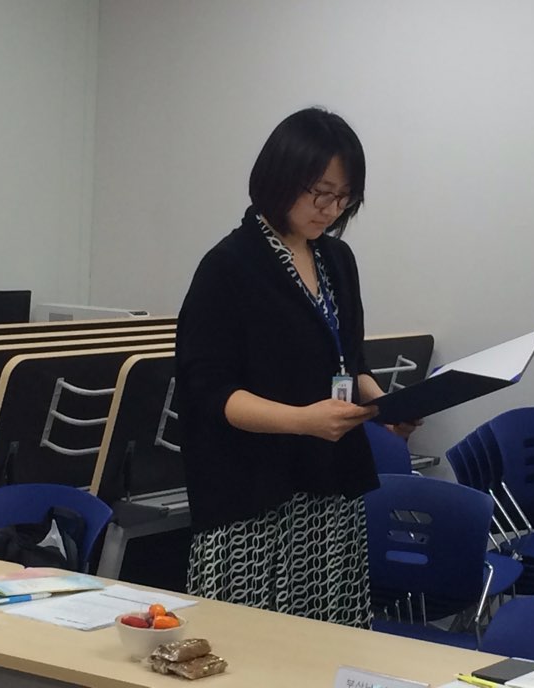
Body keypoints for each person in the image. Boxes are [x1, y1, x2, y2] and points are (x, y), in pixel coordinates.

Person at [176, 107, 414, 628]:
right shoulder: (228, 266)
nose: (331, 209)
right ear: (280, 178)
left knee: (326, 644)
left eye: (344, 196)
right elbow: (210, 392)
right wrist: (303, 421)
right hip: (251, 498)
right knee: (248, 649)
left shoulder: (337, 261)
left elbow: (349, 357)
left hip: (329, 490)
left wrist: (384, 403)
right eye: (320, 193)